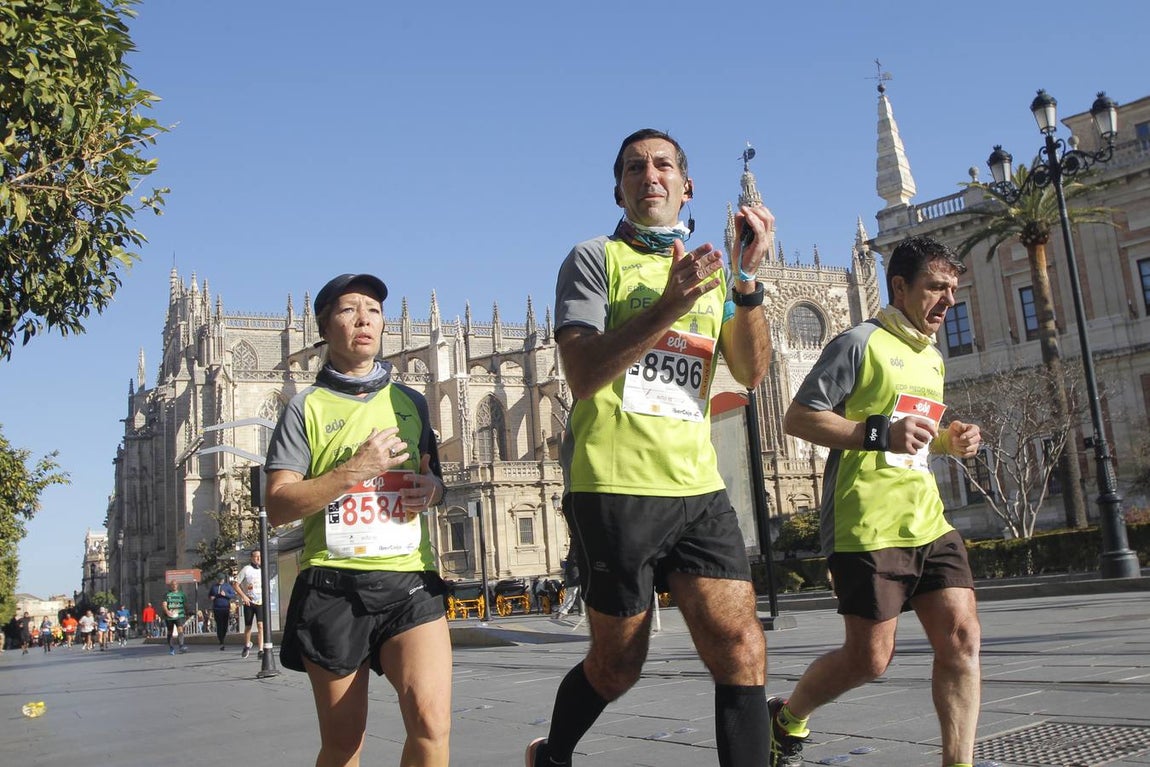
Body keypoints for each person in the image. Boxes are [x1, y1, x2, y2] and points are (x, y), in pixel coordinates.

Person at [527, 128, 775, 767]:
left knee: (742, 649)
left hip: (696, 488)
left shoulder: (714, 276)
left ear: (686, 186)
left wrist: (746, 282)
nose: (650, 175)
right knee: (617, 666)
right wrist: (669, 303)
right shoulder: (592, 260)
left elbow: (750, 371)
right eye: (634, 167)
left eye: (663, 165)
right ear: (620, 188)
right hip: (614, 488)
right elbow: (581, 375)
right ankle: (552, 755)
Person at [777, 235, 983, 767]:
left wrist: (947, 440)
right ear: (899, 286)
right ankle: (786, 719)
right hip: (865, 522)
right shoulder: (857, 343)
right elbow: (798, 418)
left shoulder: (933, 358)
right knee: (869, 659)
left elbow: (916, 435)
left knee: (961, 639)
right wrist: (876, 435)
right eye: (936, 288)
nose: (948, 301)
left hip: (928, 519)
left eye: (953, 290)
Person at [264, 272, 452, 767]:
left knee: (432, 726)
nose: (364, 318)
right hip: (334, 586)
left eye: (373, 309)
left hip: (409, 579)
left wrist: (431, 491)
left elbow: (435, 478)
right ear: (325, 327)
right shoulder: (305, 407)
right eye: (349, 309)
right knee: (345, 744)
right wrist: (354, 470)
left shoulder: (411, 402)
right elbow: (278, 505)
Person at [233, 549, 264, 659]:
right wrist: (244, 596)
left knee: (261, 625)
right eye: (256, 557)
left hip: (260, 601)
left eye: (260, 556)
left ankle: (261, 650)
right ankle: (247, 645)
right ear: (251, 558)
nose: (258, 559)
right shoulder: (247, 569)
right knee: (248, 626)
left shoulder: (263, 570)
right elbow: (235, 584)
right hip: (249, 602)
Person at [208, 573, 236, 650]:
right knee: (219, 624)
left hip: (225, 608)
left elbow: (233, 595)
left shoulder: (227, 586)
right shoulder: (214, 587)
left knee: (225, 624)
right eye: (219, 579)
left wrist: (225, 594)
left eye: (222, 579)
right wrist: (212, 597)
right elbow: (210, 595)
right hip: (217, 608)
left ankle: (223, 636)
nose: (221, 581)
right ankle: (221, 639)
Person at [552, 551, 580, 621]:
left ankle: (564, 611)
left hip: (574, 580)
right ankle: (563, 611)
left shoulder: (569, 564)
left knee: (571, 594)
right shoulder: (569, 564)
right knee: (570, 594)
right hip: (573, 580)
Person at [163, 581, 188, 655]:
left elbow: (185, 604)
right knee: (170, 632)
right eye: (172, 585)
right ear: (170, 586)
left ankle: (181, 646)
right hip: (169, 616)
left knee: (180, 629)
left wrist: (188, 612)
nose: (174, 586)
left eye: (175, 584)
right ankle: (171, 648)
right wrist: (167, 611)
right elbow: (164, 604)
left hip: (179, 615)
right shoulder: (167, 595)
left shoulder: (182, 594)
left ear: (178, 585)